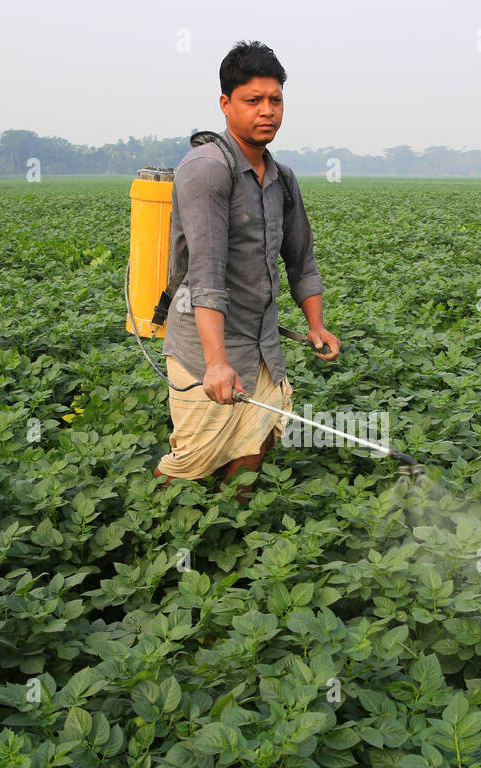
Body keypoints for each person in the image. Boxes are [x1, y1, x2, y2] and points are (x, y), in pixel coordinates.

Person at [152, 40, 340, 504]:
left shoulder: (282, 178)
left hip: (261, 345)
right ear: (225, 104)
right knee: (192, 464)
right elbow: (207, 275)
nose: (267, 111)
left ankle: (232, 537)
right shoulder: (206, 170)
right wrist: (217, 361)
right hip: (204, 350)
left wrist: (316, 326)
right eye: (253, 100)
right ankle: (155, 534)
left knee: (252, 449)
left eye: (275, 100)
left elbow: (301, 261)